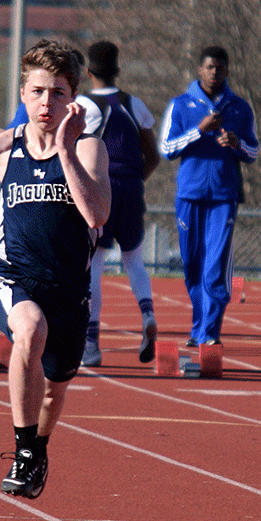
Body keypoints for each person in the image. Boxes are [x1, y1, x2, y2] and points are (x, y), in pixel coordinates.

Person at [0, 39, 110, 499]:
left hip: (69, 290)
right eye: (37, 91)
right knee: (28, 328)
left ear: (73, 100)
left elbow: (95, 215)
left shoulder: (89, 150)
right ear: (24, 95)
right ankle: (23, 451)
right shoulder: (6, 146)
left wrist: (65, 150)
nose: (46, 102)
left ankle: (39, 450)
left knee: (54, 391)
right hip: (12, 277)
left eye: (58, 93)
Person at [158, 46, 258, 346]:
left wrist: (236, 143)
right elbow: (166, 148)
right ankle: (198, 328)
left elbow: (253, 152)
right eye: (210, 67)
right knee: (193, 265)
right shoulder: (180, 105)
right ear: (200, 70)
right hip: (189, 195)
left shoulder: (240, 108)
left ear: (227, 71)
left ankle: (210, 333)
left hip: (223, 197)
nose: (215, 73)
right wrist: (199, 130)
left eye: (220, 68)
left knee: (215, 266)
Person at [77, 40, 160, 367]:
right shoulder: (134, 103)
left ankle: (92, 343)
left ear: (87, 72)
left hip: (101, 186)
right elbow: (152, 155)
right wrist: (136, 181)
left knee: (95, 262)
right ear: (118, 70)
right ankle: (147, 315)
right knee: (134, 261)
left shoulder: (82, 105)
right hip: (132, 186)